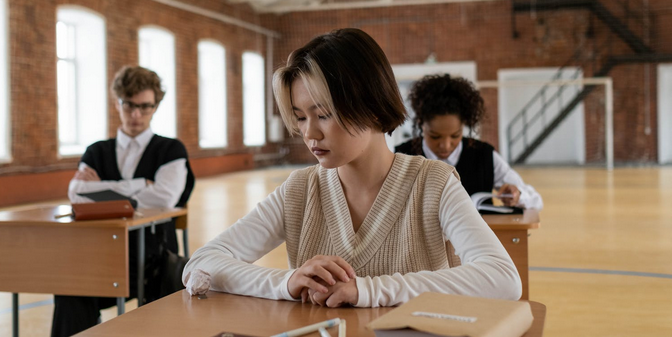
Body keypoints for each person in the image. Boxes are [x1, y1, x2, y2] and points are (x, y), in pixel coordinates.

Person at [183, 28, 521, 308]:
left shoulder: (434, 184)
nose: (309, 133)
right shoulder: (300, 189)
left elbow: (502, 278)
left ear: (373, 107)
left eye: (324, 114)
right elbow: (201, 264)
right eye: (300, 117)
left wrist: (369, 290)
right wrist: (287, 281)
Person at [49, 66, 195, 337]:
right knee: (68, 290)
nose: (136, 115)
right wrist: (142, 185)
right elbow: (77, 193)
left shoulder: (171, 149)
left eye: (145, 106)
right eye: (129, 105)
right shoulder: (96, 151)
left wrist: (102, 189)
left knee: (160, 318)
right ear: (118, 103)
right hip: (100, 256)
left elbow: (165, 198)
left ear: (155, 106)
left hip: (155, 259)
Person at [395, 74, 543, 210]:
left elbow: (536, 200)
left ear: (464, 126)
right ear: (421, 124)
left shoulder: (483, 155)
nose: (446, 145)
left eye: (455, 135)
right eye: (435, 136)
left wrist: (516, 195)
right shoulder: (401, 157)